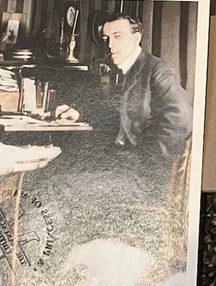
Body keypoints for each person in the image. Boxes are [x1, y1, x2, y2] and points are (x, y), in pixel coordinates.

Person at [55, 13, 193, 170]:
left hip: (140, 167)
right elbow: (114, 111)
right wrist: (79, 113)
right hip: (114, 159)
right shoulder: (117, 70)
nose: (110, 45)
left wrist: (144, 164)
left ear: (136, 38)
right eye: (106, 38)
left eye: (117, 37)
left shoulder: (158, 69)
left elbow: (179, 121)